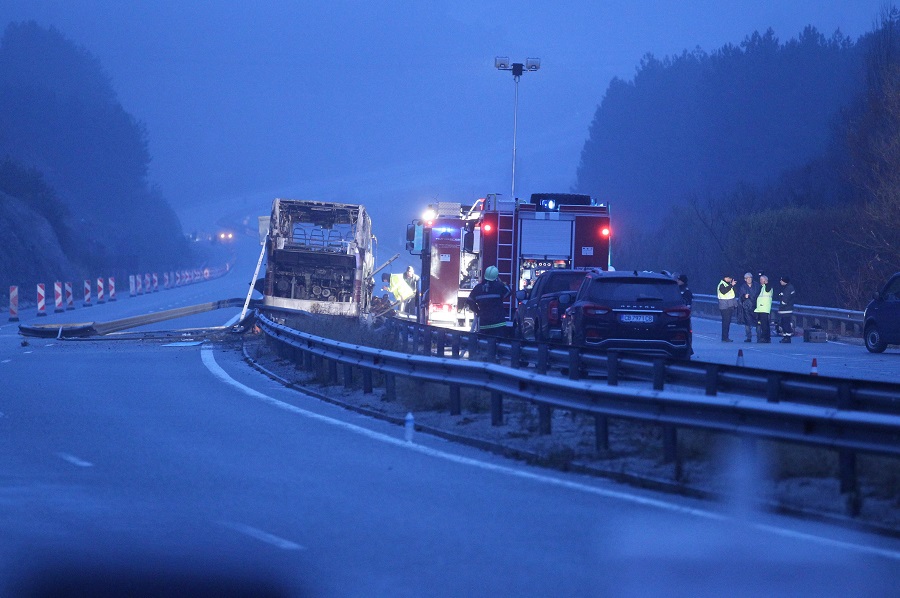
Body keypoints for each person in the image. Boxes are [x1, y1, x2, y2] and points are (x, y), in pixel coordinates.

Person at [465, 265, 511, 336]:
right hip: (499, 324)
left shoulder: (478, 288)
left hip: (484, 324)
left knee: (485, 344)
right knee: (499, 345)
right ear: (496, 276)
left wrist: (478, 311)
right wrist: (500, 281)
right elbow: (509, 292)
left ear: (484, 275)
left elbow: (469, 301)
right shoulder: (499, 286)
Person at [736, 272, 759, 342]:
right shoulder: (743, 287)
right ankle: (749, 337)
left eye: (750, 278)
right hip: (747, 307)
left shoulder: (757, 286)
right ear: (745, 279)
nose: (749, 279)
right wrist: (744, 297)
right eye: (747, 278)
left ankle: (759, 336)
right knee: (747, 322)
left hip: (756, 306)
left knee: (758, 322)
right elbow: (740, 297)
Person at [716, 275, 738, 342]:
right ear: (726, 278)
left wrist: (732, 285)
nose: (730, 279)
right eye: (729, 278)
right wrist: (731, 285)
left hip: (729, 306)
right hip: (724, 307)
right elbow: (724, 291)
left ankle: (726, 337)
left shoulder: (728, 284)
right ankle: (725, 337)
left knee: (727, 322)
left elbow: (733, 294)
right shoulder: (722, 284)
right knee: (725, 322)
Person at [754, 274, 773, 343]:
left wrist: (766, 283)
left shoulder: (768, 287)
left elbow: (768, 288)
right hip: (760, 308)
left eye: (761, 280)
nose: (760, 281)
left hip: (764, 308)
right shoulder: (762, 287)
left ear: (765, 280)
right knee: (764, 324)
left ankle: (765, 337)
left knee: (764, 324)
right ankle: (766, 337)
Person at [777, 275, 796, 343]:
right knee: (783, 323)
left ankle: (787, 337)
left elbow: (785, 300)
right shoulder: (788, 287)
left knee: (786, 324)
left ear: (785, 281)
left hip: (786, 310)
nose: (780, 282)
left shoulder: (788, 288)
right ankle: (785, 337)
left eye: (781, 280)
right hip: (785, 309)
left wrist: (780, 308)